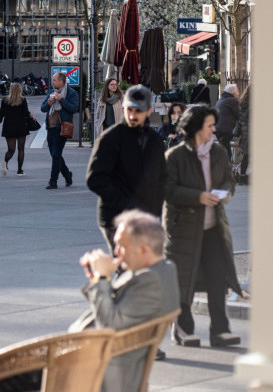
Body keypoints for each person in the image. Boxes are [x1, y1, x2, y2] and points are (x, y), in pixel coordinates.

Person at [0, 211, 179, 392]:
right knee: (0, 371)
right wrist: (96, 279)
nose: (116, 252)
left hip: (94, 367)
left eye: (122, 246)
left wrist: (102, 280)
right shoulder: (161, 270)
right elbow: (118, 311)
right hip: (91, 357)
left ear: (143, 249)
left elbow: (109, 325)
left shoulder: (150, 280)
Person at [164, 104, 243, 349]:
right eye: (209, 125)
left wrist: (225, 193)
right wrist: (198, 196)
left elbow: (229, 180)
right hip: (184, 228)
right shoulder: (175, 156)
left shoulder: (218, 152)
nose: (213, 129)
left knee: (218, 279)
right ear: (196, 127)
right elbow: (168, 190)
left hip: (214, 228)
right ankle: (183, 329)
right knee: (184, 280)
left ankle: (220, 330)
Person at [86, 85, 166, 249]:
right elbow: (95, 178)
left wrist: (156, 206)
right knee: (127, 261)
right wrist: (125, 203)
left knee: (142, 262)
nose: (132, 115)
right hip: (116, 217)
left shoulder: (155, 140)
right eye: (129, 110)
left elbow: (162, 176)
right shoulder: (111, 138)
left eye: (138, 111)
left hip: (146, 216)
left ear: (149, 111)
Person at [40, 72, 80, 189]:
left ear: (61, 82)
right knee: (55, 155)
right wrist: (49, 103)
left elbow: (73, 108)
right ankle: (67, 175)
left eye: (54, 80)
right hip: (50, 128)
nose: (52, 82)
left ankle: (53, 181)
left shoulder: (71, 93)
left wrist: (61, 100)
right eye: (52, 80)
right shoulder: (51, 92)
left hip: (62, 128)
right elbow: (43, 108)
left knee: (56, 154)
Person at [0, 82, 34, 177]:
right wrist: (30, 116)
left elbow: (1, 114)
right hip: (21, 127)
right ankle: (20, 170)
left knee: (11, 150)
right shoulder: (23, 100)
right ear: (20, 90)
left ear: (11, 90)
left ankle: (5, 162)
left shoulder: (5, 100)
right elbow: (26, 113)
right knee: (21, 149)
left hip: (9, 127)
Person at [215, 83, 240, 161]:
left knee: (224, 150)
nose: (239, 93)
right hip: (225, 130)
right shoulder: (233, 101)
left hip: (218, 129)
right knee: (226, 152)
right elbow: (239, 114)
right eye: (238, 91)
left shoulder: (221, 100)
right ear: (233, 93)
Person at [237, 85, 250, 183]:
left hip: (244, 130)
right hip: (250, 131)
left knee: (247, 154)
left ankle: (242, 175)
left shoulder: (243, 101)